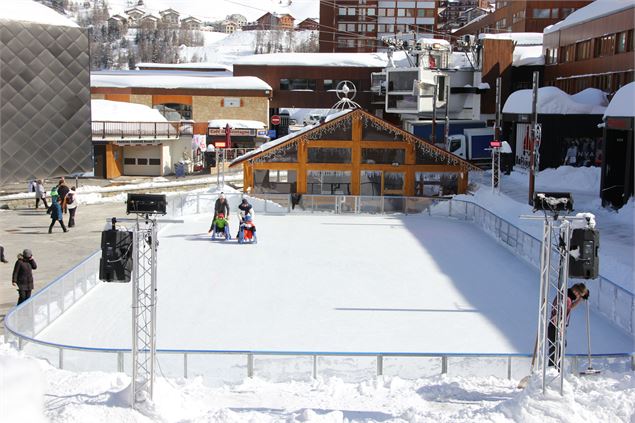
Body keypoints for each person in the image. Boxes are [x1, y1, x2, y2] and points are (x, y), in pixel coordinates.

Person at [548, 283, 589, 368]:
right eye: (579, 295)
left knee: (557, 351)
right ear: (576, 292)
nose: (578, 297)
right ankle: (553, 371)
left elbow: (570, 306)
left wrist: (580, 299)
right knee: (556, 352)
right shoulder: (566, 299)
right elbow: (561, 312)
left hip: (557, 327)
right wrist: (560, 329)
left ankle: (554, 370)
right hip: (556, 327)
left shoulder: (567, 296)